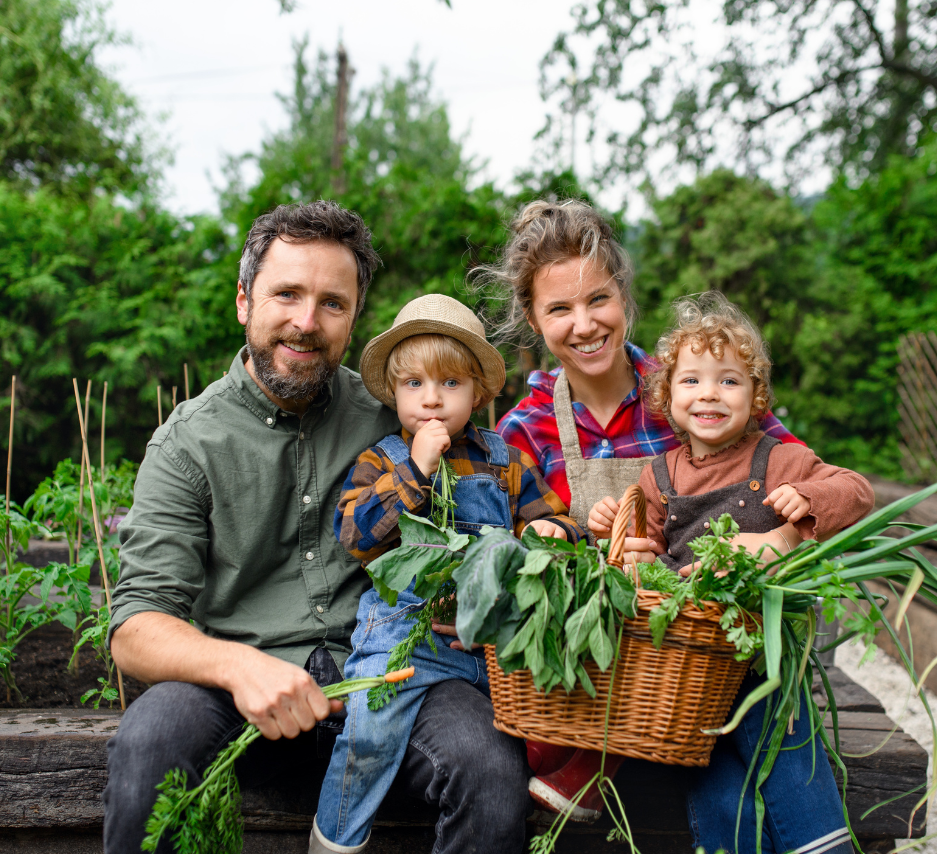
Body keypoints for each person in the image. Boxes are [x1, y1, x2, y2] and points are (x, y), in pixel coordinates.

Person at [103, 202, 530, 854]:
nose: (306, 322)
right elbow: (135, 630)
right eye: (287, 294)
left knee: (489, 768)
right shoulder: (188, 443)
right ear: (244, 301)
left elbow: (491, 490)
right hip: (235, 689)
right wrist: (239, 667)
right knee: (148, 744)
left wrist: (480, 580)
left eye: (332, 303)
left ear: (354, 318)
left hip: (393, 675)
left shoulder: (399, 414)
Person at [464, 198, 811, 842]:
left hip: (717, 659)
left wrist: (785, 534)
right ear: (535, 323)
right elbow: (505, 564)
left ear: (623, 294)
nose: (584, 323)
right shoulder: (522, 433)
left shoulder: (694, 388)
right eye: (559, 309)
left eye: (598, 299)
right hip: (600, 696)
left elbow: (800, 473)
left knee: (758, 792)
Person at [585, 291, 872, 854]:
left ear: (756, 396)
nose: (709, 393)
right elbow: (647, 549)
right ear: (668, 397)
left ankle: (824, 844)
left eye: (729, 381)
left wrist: (803, 504)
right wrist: (630, 549)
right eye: (691, 381)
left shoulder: (778, 459)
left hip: (763, 659)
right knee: (716, 785)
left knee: (784, 745)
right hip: (689, 669)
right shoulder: (659, 474)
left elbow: (855, 490)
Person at [311, 293, 585, 852]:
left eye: (450, 385)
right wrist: (416, 469)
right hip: (401, 640)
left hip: (487, 648)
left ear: (479, 392)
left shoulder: (505, 460)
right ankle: (335, 840)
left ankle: (575, 783)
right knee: (369, 734)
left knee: (547, 718)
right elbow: (355, 536)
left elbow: (552, 520)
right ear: (393, 392)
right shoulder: (384, 459)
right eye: (414, 385)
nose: (431, 400)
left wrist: (554, 535)